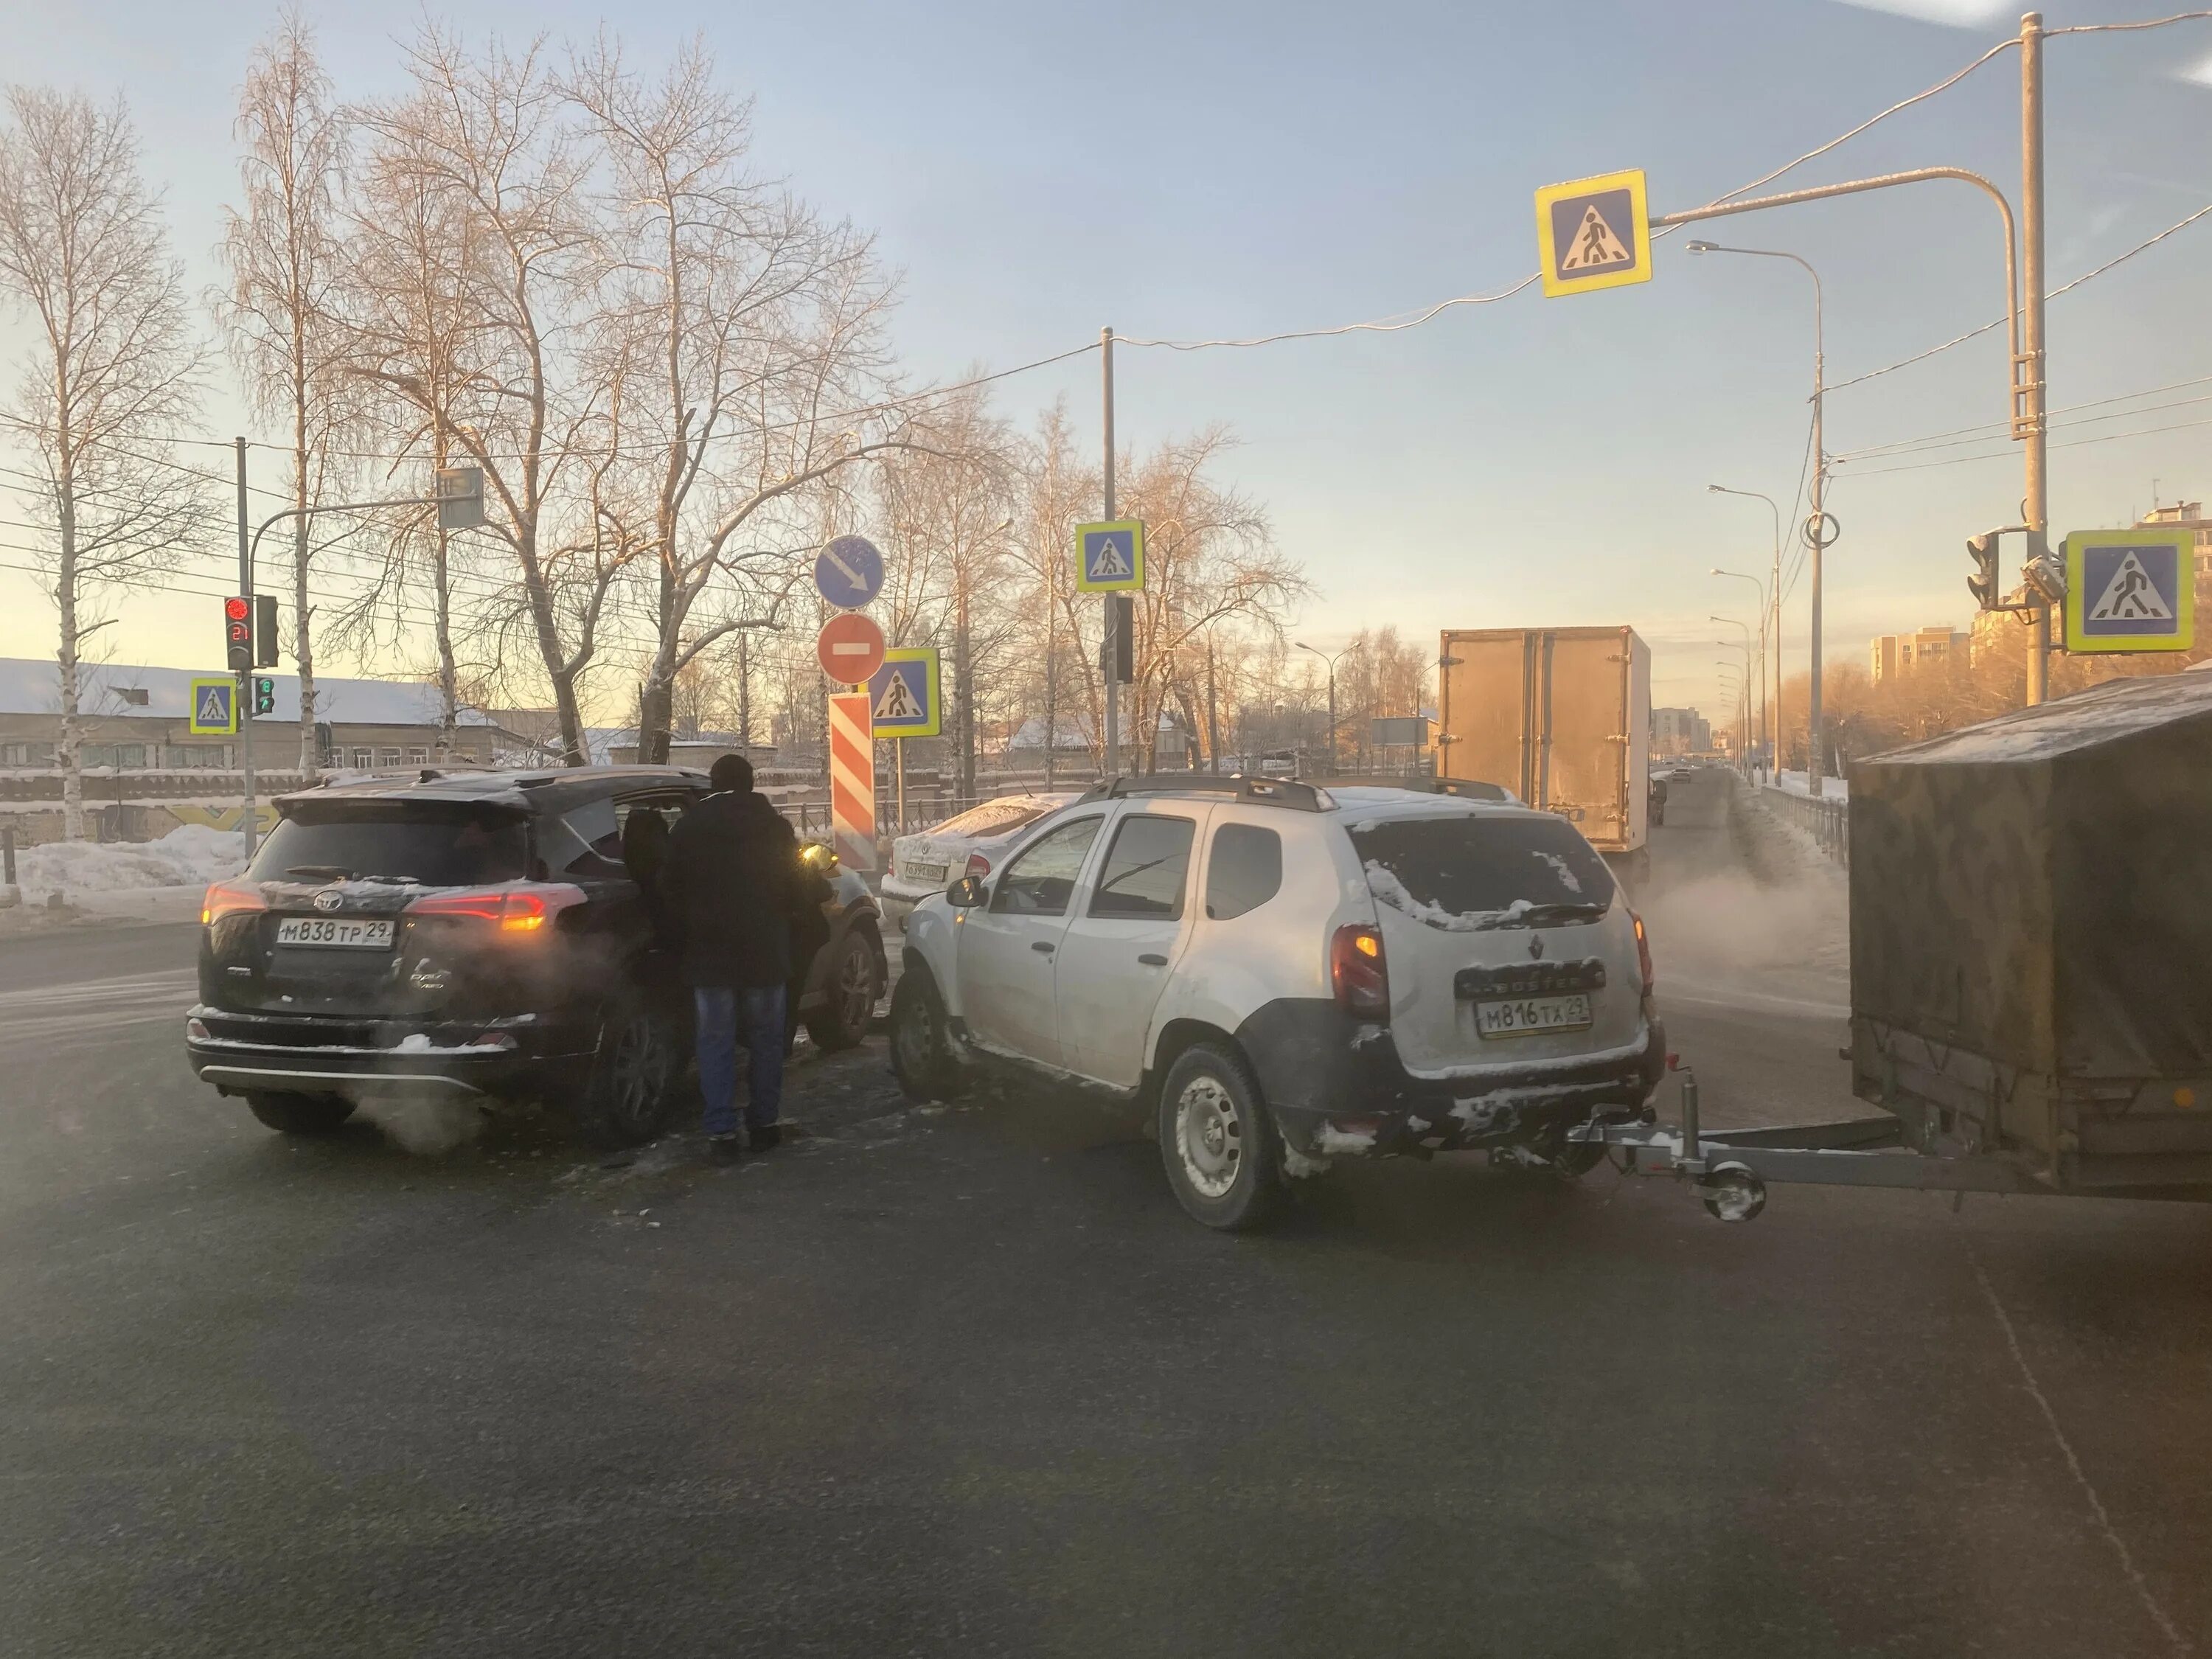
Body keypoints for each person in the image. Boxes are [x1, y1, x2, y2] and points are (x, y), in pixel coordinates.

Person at [659, 754, 801, 1161]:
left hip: (709, 955)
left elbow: (669, 888)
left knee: (715, 1042)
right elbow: (795, 887)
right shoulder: (776, 828)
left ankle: (721, 1134)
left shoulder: (688, 829)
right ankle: (764, 1125)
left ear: (712, 785)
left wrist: (690, 927)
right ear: (751, 783)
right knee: (766, 1040)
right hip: (765, 952)